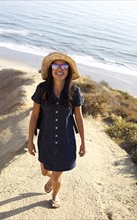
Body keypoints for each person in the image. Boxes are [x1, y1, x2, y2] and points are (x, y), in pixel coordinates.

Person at [28, 52, 86, 208]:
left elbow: (79, 118)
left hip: (65, 142)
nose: (59, 69)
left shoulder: (75, 91)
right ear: (50, 69)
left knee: (57, 176)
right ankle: (51, 179)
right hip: (45, 140)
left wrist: (83, 143)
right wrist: (30, 142)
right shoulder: (42, 89)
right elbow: (34, 116)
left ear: (68, 70)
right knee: (45, 171)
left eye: (64, 66)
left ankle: (55, 196)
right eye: (56, 65)